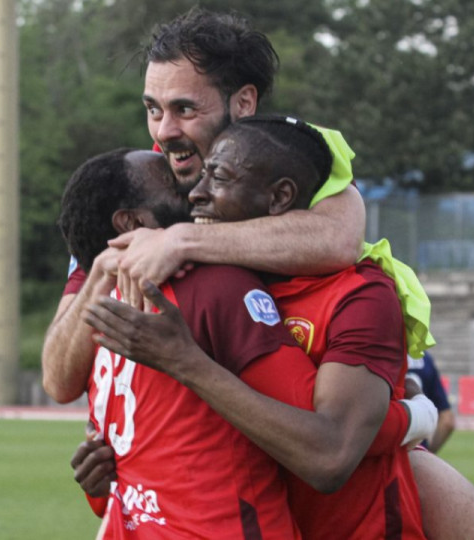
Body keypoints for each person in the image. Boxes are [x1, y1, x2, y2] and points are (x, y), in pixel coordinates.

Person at [83, 115, 474, 539]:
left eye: (218, 178)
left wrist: (187, 363)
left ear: (279, 198)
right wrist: (110, 474)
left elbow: (329, 456)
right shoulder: (210, 284)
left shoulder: (359, 295)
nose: (195, 195)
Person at [40, 8, 367, 405]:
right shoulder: (140, 184)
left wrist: (181, 240)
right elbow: (58, 382)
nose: (164, 131)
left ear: (244, 102)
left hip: (318, 406)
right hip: (223, 444)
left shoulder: (295, 154)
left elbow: (337, 241)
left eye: (185, 109)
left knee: (403, 461)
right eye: (153, 109)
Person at [406, 351, 456, 453]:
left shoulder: (380, 354)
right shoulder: (424, 359)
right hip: (417, 455)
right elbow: (447, 421)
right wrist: (428, 453)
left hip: (381, 455)